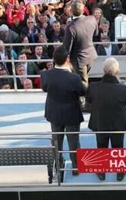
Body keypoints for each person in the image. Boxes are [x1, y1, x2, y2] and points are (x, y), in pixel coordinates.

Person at [41, 46, 85, 180]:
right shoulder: (74, 78)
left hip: (54, 113)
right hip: (71, 114)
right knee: (74, 142)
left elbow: (44, 89)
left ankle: (58, 165)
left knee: (56, 141)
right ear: (67, 60)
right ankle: (76, 167)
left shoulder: (46, 74)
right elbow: (82, 92)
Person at [86, 58, 126, 181]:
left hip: (100, 122)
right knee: (118, 148)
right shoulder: (123, 88)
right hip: (117, 124)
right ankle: (120, 172)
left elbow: (88, 101)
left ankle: (101, 171)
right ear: (117, 71)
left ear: (103, 70)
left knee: (101, 146)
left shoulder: (93, 87)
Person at [62, 0, 98, 110]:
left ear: (71, 11)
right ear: (83, 10)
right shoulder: (92, 19)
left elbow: (66, 48)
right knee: (89, 80)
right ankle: (90, 102)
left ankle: (88, 105)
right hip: (92, 55)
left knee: (83, 81)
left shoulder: (71, 27)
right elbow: (96, 33)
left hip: (79, 59)